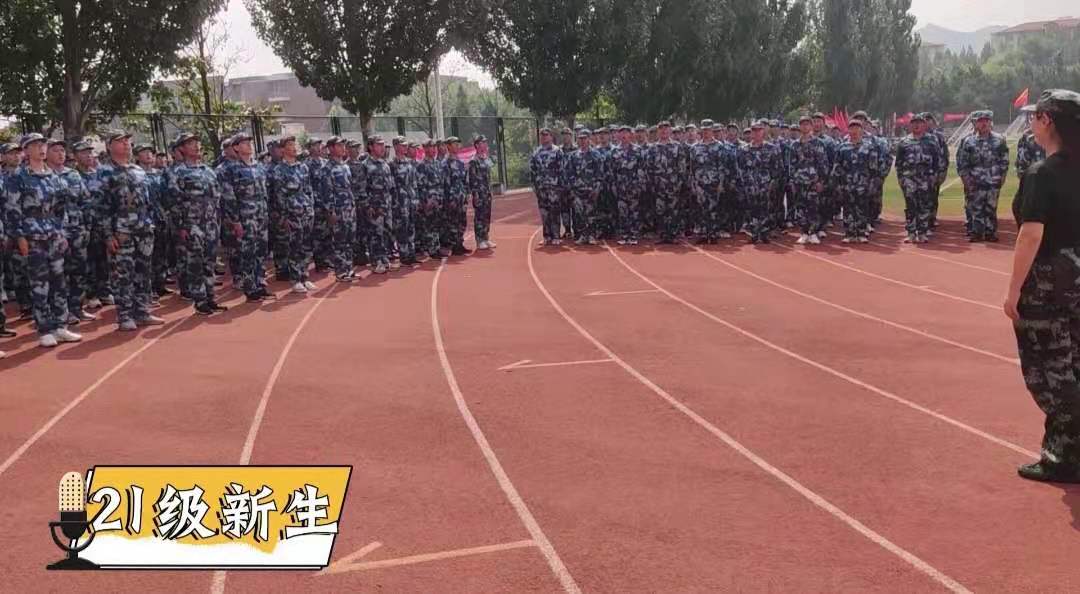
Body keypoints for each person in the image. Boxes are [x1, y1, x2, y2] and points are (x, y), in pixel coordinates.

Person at [1004, 89, 1080, 484]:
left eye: (1035, 117)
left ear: (1048, 121)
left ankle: (1066, 456)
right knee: (1074, 363)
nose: (1031, 123)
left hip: (1049, 280)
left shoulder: (1042, 173)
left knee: (1048, 372)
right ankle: (1062, 450)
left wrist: (1013, 290)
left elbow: (1031, 234)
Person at [6, 134, 82, 347]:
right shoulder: (18, 177)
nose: (41, 149)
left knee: (59, 282)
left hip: (54, 237)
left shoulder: (53, 176)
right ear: (26, 150)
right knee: (40, 285)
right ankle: (45, 329)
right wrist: (19, 237)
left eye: (43, 145)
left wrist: (62, 233)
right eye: (35, 145)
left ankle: (60, 325)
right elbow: (12, 210)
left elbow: (61, 208)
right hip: (33, 238)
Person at [98, 131, 164, 330]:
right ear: (109, 146)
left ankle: (142, 311)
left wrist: (150, 223)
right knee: (122, 275)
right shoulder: (104, 172)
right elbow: (101, 207)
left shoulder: (138, 170)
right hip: (121, 231)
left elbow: (148, 201)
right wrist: (108, 235)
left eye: (127, 141)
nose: (126, 144)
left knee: (143, 272)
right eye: (120, 141)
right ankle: (125, 315)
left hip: (143, 229)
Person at [170, 132, 227, 315]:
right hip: (191, 225)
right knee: (195, 263)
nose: (196, 146)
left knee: (210, 261)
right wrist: (181, 226)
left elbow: (217, 197)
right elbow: (173, 202)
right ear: (181, 149)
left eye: (197, 142)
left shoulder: (208, 171)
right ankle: (200, 300)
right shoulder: (178, 172)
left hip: (211, 223)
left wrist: (217, 220)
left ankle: (210, 297)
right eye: (190, 143)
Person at [270, 136, 316, 294]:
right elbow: (279, 196)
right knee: (294, 246)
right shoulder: (278, 170)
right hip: (291, 214)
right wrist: (284, 217)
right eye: (290, 145)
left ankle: (304, 276)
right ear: (283, 150)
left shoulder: (302, 167)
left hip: (305, 212)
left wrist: (310, 208)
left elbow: (308, 190)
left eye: (294, 144)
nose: (294, 147)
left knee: (306, 246)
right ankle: (296, 279)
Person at [956, 110, 1009, 242]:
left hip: (993, 180)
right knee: (976, 207)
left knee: (991, 207)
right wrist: (966, 180)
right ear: (975, 124)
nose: (984, 123)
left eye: (986, 120)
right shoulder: (968, 141)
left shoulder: (1000, 140)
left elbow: (1004, 160)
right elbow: (963, 163)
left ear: (990, 122)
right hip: (975, 180)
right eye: (980, 121)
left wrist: (1002, 176)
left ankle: (990, 232)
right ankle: (977, 233)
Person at [894, 113, 941, 243]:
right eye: (914, 123)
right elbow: (899, 163)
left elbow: (937, 161)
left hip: (926, 179)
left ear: (924, 125)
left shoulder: (931, 141)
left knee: (924, 205)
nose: (916, 125)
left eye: (919, 123)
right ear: (910, 125)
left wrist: (934, 177)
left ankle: (922, 232)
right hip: (909, 178)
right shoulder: (904, 142)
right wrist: (901, 178)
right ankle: (911, 232)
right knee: (910, 205)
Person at [831, 119, 878, 243]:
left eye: (857, 128)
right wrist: (837, 184)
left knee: (862, 208)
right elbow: (837, 166)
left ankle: (861, 232)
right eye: (852, 128)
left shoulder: (869, 147)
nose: (854, 130)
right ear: (848, 130)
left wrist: (873, 184)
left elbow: (873, 168)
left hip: (863, 184)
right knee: (848, 209)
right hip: (847, 184)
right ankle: (849, 233)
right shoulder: (842, 147)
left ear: (862, 130)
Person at [529, 128, 564, 245]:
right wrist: (534, 186)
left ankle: (556, 236)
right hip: (541, 188)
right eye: (542, 135)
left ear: (551, 136)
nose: (544, 137)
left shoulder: (557, 151)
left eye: (546, 135)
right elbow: (532, 170)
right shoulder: (536, 152)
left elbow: (562, 169)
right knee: (544, 212)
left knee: (554, 211)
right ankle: (547, 236)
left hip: (554, 187)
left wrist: (561, 186)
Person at [467, 135, 496, 250]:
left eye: (485, 142)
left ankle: (486, 237)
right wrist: (475, 194)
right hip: (479, 193)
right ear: (477, 145)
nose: (485, 144)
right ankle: (479, 240)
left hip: (487, 192)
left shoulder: (486, 158)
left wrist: (490, 190)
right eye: (483, 143)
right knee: (479, 216)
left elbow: (489, 177)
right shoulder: (474, 161)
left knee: (487, 216)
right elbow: (472, 179)